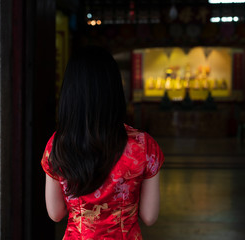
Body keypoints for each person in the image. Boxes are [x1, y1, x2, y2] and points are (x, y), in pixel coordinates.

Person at [41, 46, 164, 239]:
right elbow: (149, 216)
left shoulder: (58, 144)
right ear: (115, 89)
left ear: (70, 93)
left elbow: (55, 213)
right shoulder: (143, 145)